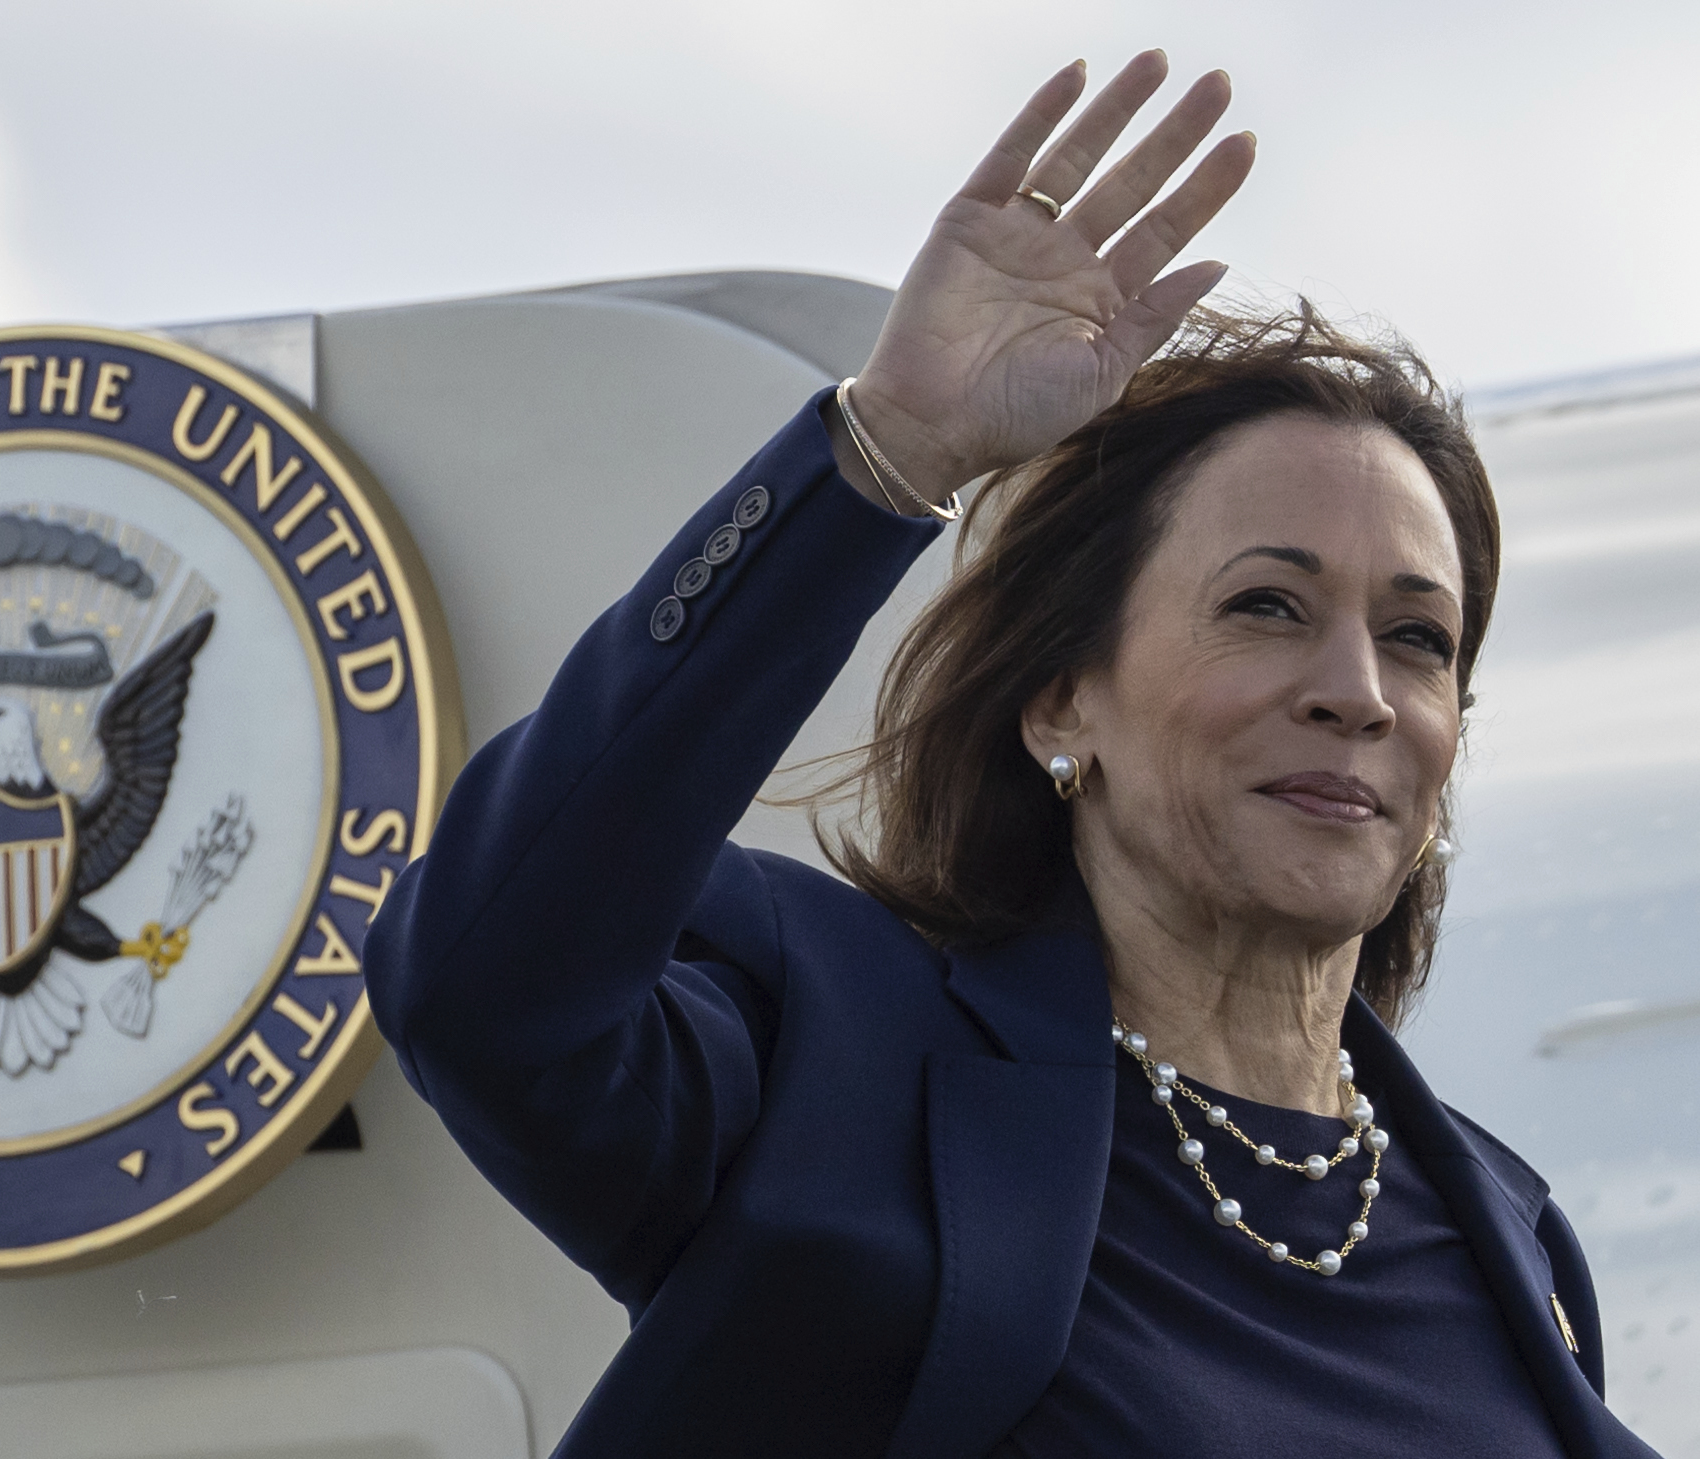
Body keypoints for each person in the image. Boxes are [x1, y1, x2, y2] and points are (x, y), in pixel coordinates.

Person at [362, 50, 1660, 1458]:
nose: (1355, 690)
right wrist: (886, 454)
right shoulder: (839, 1061)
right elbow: (492, 983)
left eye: (1418, 639)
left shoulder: (1510, 1237)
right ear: (1060, 702)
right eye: (1266, 607)